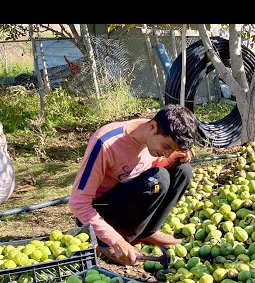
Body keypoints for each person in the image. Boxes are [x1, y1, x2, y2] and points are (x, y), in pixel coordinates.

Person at [69, 104, 198, 266]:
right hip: (101, 209)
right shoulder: (105, 143)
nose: (167, 153)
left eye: (171, 150)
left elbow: (142, 169)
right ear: (152, 126)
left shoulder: (153, 136)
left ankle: (145, 233)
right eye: (166, 147)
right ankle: (104, 246)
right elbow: (78, 202)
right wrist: (115, 240)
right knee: (159, 178)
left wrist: (172, 158)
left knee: (183, 170)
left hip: (125, 200)